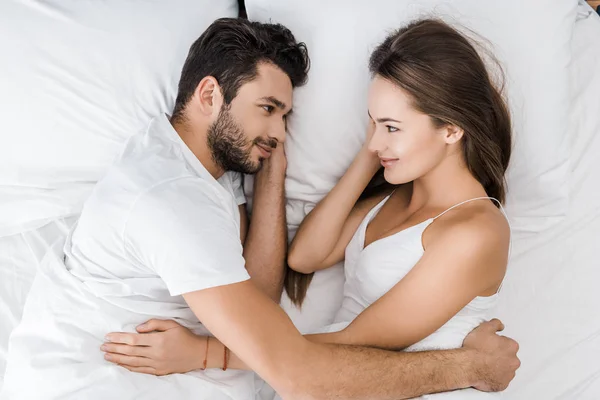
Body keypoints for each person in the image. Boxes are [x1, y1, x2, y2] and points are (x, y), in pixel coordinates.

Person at [2, 18, 519, 400]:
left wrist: (269, 165)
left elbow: (278, 306)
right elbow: (304, 267)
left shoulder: (210, 178)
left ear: (451, 129)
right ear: (209, 95)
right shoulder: (171, 198)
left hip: (354, 375)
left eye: (391, 126)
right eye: (268, 110)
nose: (278, 130)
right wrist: (470, 365)